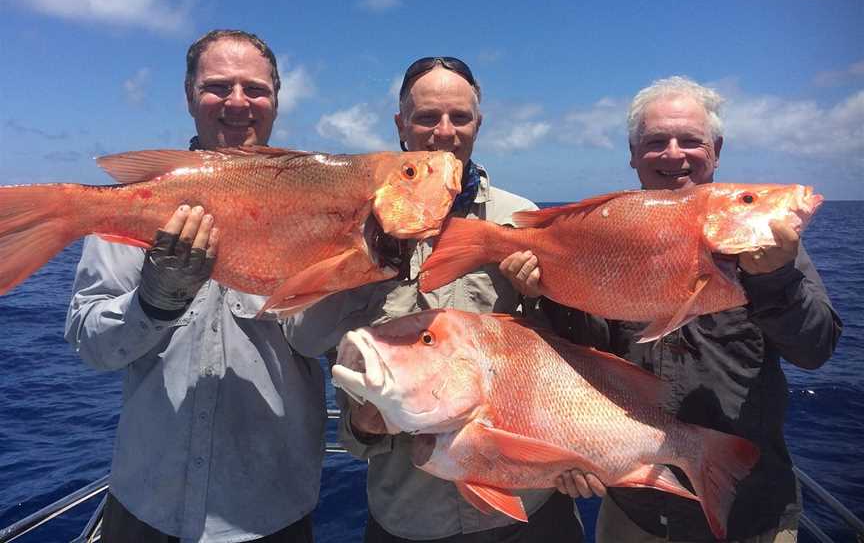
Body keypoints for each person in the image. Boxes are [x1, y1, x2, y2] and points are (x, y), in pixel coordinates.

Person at [503, 75, 842, 542]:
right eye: (656, 141)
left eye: (690, 141)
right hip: (631, 506)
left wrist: (776, 279)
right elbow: (575, 361)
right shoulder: (605, 231)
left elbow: (815, 350)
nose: (674, 154)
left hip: (750, 514)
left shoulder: (768, 249)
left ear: (716, 150)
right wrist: (540, 294)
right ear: (633, 154)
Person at [295, 57, 585, 542]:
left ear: (479, 125)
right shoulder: (353, 225)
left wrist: (546, 299)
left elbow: (562, 355)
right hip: (410, 512)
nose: (444, 132)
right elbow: (307, 336)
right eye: (427, 117)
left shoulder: (522, 218)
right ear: (401, 125)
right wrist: (363, 425)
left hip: (526, 503)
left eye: (460, 117)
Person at [65, 30, 326, 543]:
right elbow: (90, 343)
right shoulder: (137, 202)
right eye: (217, 86)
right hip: (147, 501)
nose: (237, 102)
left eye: (254, 89)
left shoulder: (315, 205)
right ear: (189, 96)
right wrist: (153, 301)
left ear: (275, 100)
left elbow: (325, 343)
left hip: (269, 508)